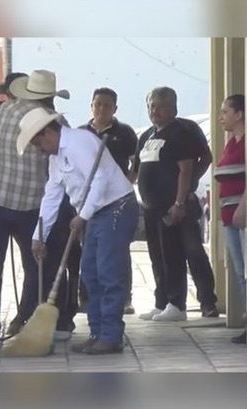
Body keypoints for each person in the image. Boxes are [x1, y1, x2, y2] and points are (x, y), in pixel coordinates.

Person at [17, 107, 139, 354]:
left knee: (108, 273)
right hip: (95, 212)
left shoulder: (78, 143)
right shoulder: (56, 158)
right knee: (90, 276)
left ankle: (111, 336)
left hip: (115, 207)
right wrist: (39, 236)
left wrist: (82, 216)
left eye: (38, 144)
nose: (39, 151)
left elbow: (101, 179)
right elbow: (52, 195)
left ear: (47, 133)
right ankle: (97, 333)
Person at [0, 70, 70, 345]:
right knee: (38, 265)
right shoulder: (55, 122)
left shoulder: (5, 108)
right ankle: (28, 319)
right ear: (50, 96)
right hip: (31, 205)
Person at [133, 87, 217, 322]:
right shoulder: (147, 135)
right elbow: (137, 170)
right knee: (158, 255)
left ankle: (202, 302)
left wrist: (183, 194)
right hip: (152, 207)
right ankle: (163, 301)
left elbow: (190, 166)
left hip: (178, 206)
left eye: (159, 105)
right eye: (150, 105)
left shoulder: (183, 131)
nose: (154, 111)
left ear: (173, 107)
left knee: (189, 252)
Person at [79, 87, 138, 315]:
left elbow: (136, 163)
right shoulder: (82, 133)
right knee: (89, 253)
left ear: (115, 108)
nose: (102, 109)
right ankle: (86, 299)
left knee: (117, 252)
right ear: (91, 105)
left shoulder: (125, 133)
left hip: (116, 202)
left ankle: (125, 299)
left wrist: (127, 182)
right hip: (89, 202)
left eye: (107, 105)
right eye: (98, 104)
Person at [214, 94, 247, 343]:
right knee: (239, 271)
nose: (221, 117)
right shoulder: (231, 143)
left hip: (241, 217)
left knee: (246, 271)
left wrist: (243, 208)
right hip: (228, 216)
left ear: (239, 114)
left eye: (225, 112)